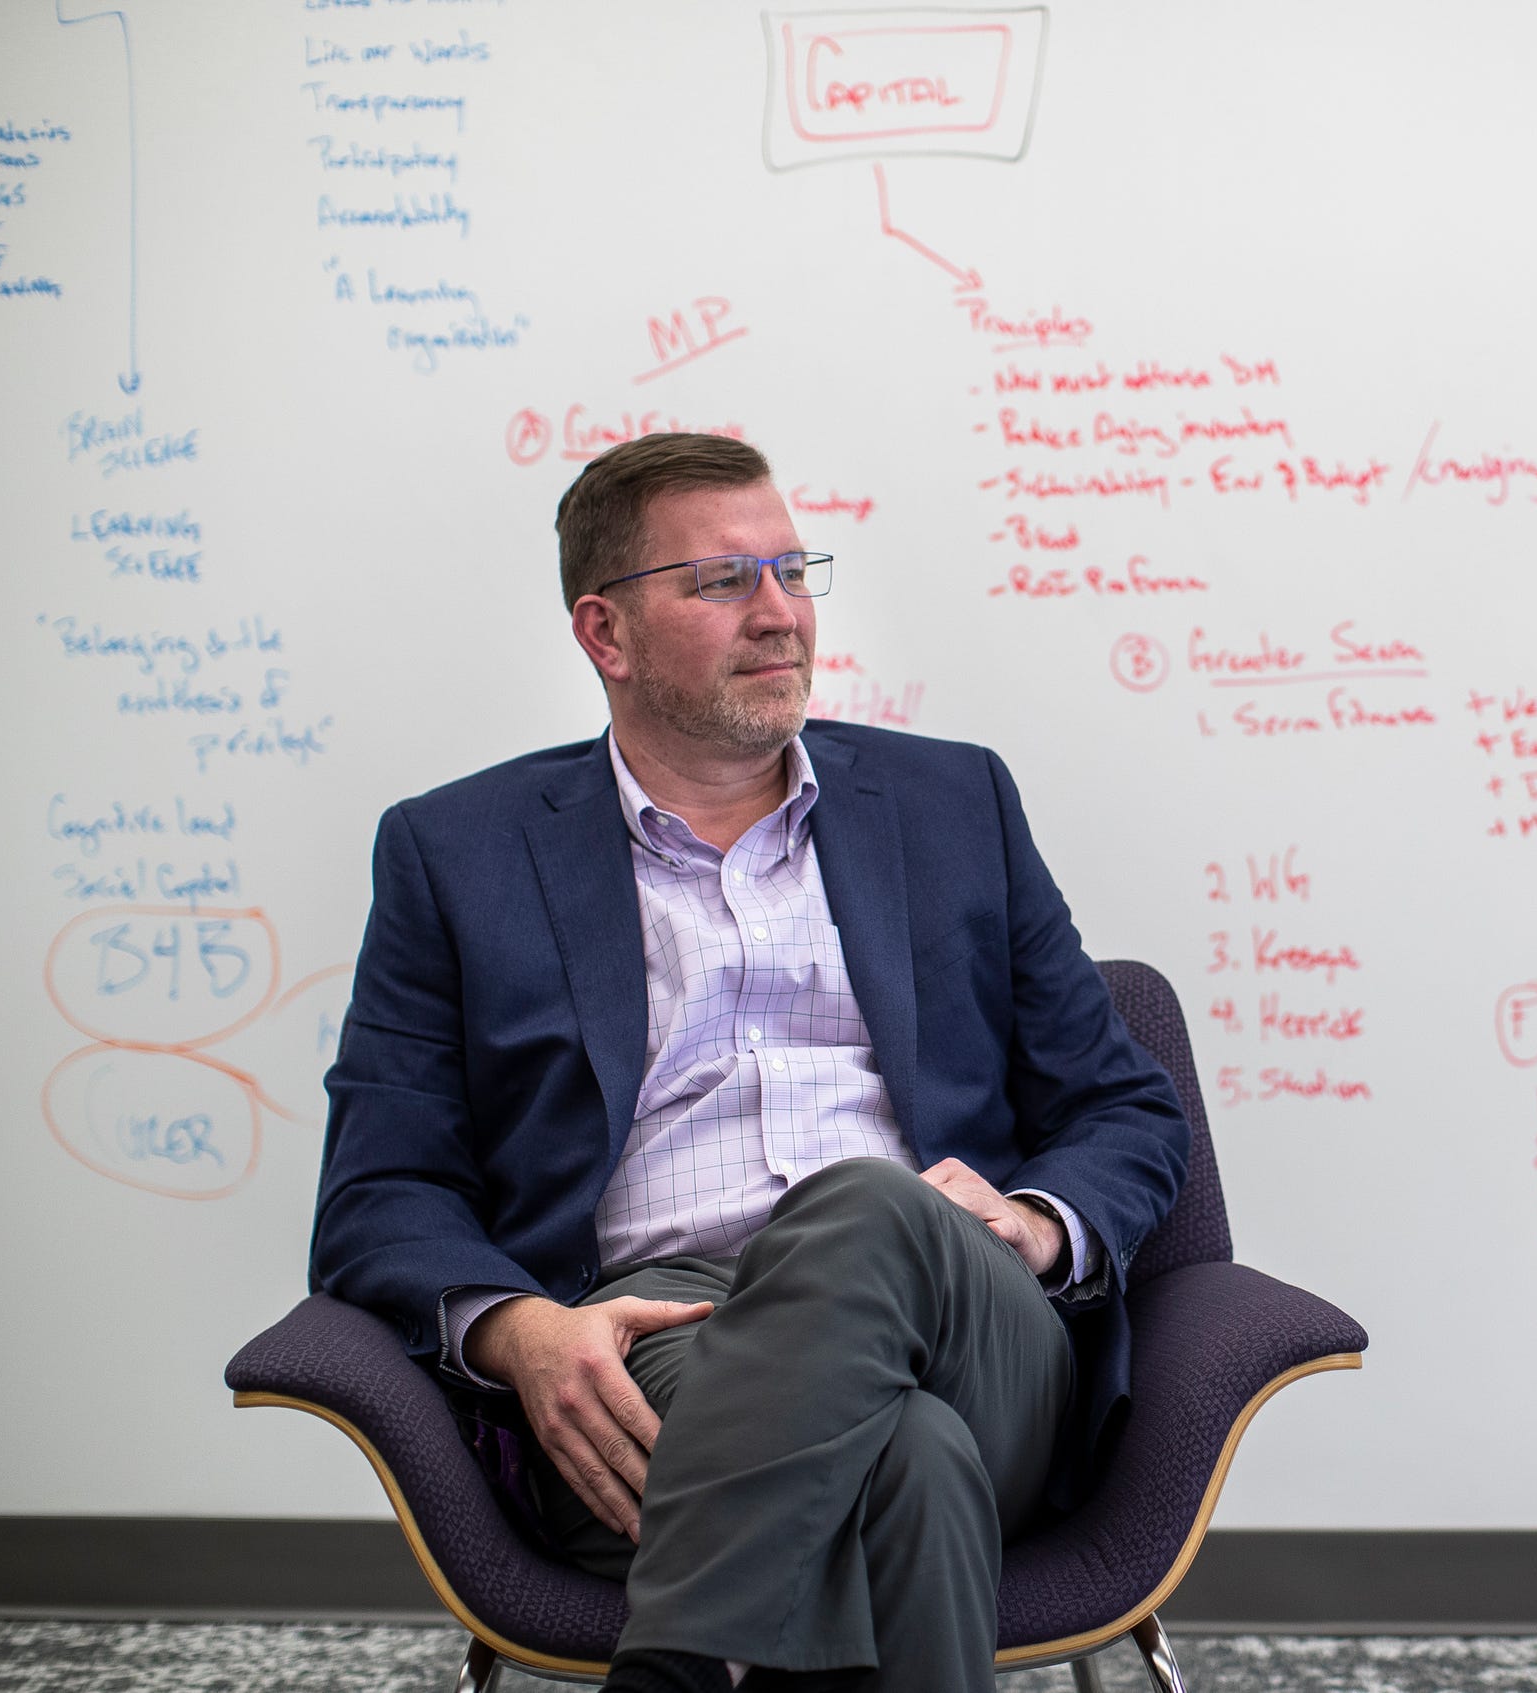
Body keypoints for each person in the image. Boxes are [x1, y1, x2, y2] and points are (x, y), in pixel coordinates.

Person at [308, 432, 1190, 1693]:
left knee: (868, 1207)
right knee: (912, 1467)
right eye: (724, 582)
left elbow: (1124, 1106)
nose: (782, 614)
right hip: (660, 1338)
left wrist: (1038, 1227)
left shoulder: (954, 804)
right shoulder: (458, 853)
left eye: (793, 570)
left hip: (967, 1317)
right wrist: (520, 1335)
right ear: (605, 634)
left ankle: (678, 1659)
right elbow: (378, 1190)